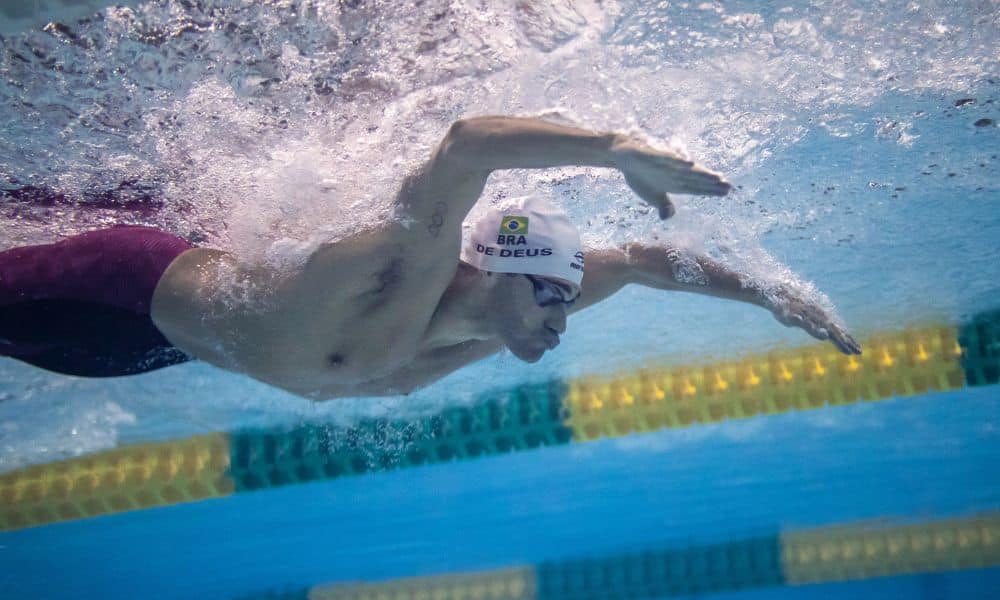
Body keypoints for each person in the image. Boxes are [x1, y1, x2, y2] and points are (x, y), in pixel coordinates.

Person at [0, 116, 860, 398]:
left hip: (153, 349)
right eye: (556, 298)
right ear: (495, 268)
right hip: (119, 286)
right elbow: (466, 146)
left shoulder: (510, 314)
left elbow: (639, 259)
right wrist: (614, 148)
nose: (567, 316)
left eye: (562, 297)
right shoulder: (405, 264)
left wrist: (773, 292)